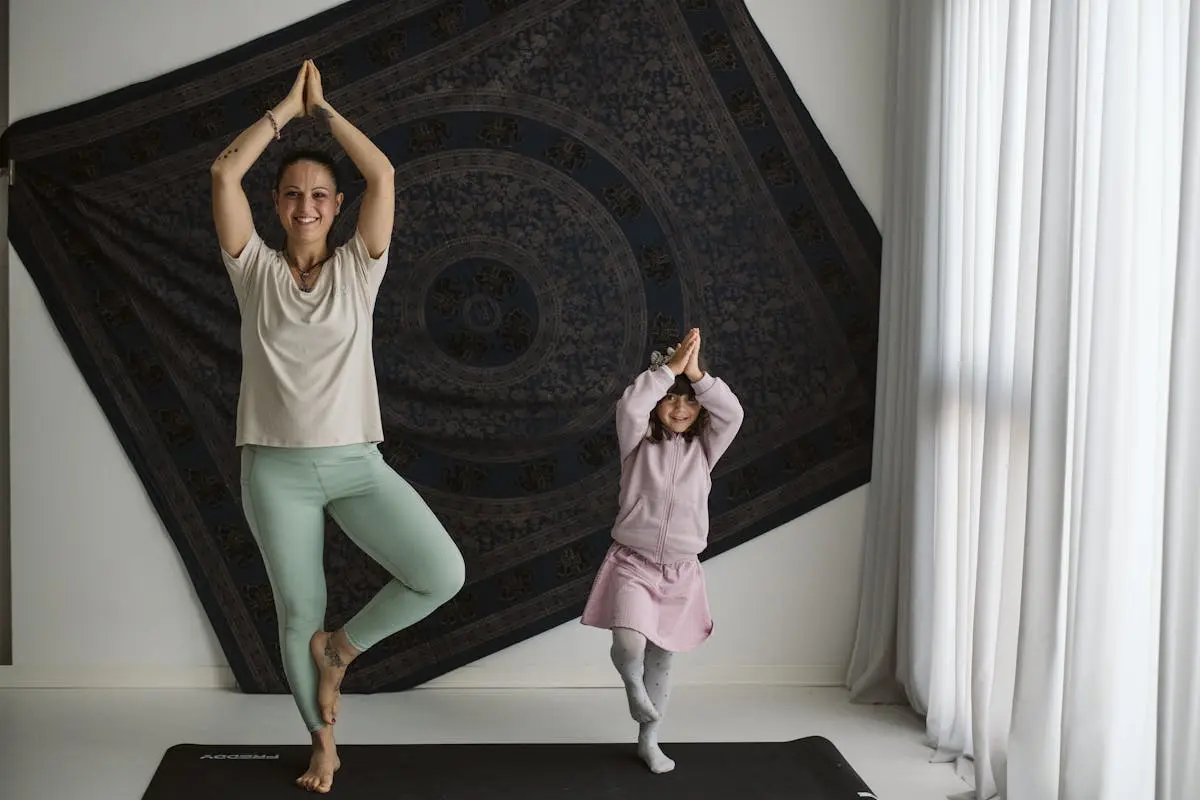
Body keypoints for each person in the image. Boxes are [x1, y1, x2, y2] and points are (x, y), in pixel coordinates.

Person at [210, 60, 466, 794]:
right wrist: (284, 113)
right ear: (278, 205)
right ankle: (323, 745)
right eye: (292, 194)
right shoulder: (252, 270)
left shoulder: (361, 269)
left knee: (440, 572)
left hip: (356, 463)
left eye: (320, 194)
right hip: (275, 470)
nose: (306, 204)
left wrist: (324, 114)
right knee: (299, 612)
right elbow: (224, 177)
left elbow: (383, 175)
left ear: (337, 204)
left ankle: (341, 652)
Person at [581, 327, 745, 773]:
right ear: (658, 403)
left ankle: (650, 739)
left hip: (681, 570)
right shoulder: (636, 444)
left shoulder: (705, 450)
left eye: (689, 400)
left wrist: (697, 375)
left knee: (663, 655)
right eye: (672, 397)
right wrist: (669, 371)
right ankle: (632, 685)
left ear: (699, 410)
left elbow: (732, 413)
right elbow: (630, 404)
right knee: (629, 642)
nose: (679, 406)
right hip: (633, 562)